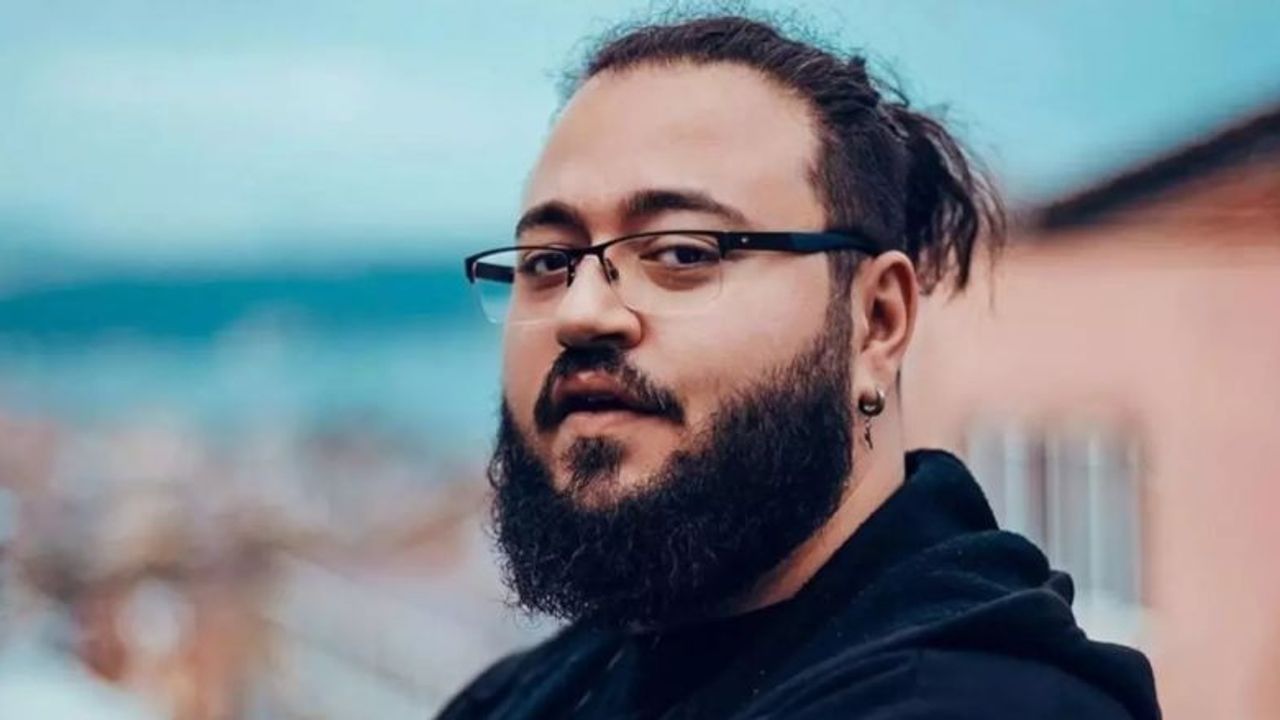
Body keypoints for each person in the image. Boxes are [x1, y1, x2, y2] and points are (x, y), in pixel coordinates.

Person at [441, 13, 1161, 720]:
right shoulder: (537, 689)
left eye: (683, 253)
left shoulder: (979, 700)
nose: (581, 313)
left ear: (877, 321)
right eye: (548, 262)